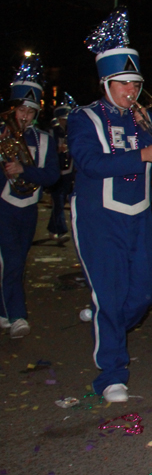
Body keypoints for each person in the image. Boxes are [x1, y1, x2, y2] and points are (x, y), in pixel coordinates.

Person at [68, 8, 152, 402]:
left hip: (138, 215)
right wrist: (142, 155)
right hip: (99, 217)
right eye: (124, 83)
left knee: (148, 290)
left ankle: (106, 322)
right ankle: (111, 372)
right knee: (110, 294)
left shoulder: (142, 118)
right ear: (106, 83)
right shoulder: (84, 119)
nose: (132, 91)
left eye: (136, 84)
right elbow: (89, 163)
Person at [0, 55, 60, 339]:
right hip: (2, 205)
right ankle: (18, 315)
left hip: (28, 207)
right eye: (21, 110)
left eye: (31, 111)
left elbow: (52, 176)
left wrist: (24, 169)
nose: (25, 116)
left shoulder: (44, 140)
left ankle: (3, 310)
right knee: (11, 261)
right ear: (12, 109)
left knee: (17, 261)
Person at [47, 93, 77, 242]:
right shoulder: (53, 132)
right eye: (63, 120)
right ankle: (58, 229)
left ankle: (54, 228)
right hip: (56, 171)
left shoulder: (71, 132)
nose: (65, 123)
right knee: (58, 201)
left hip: (68, 171)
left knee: (61, 201)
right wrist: (57, 150)